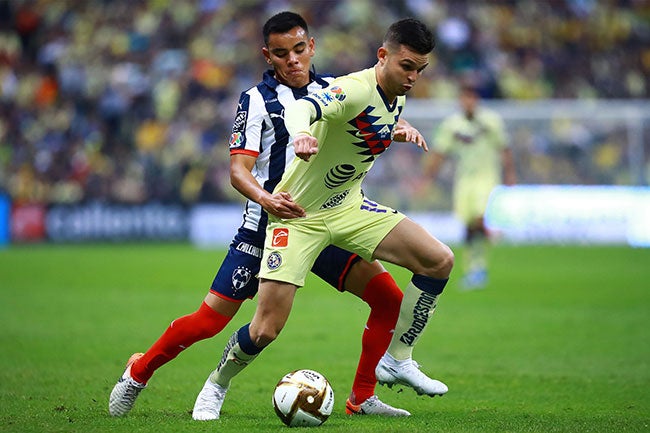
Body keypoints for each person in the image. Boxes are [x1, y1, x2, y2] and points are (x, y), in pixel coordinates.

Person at [109, 11, 422, 419]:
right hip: (268, 226)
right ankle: (140, 372)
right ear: (267, 55)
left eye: (298, 49)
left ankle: (362, 399)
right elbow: (238, 171)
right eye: (281, 53)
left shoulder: (335, 90)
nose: (292, 60)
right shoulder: (256, 100)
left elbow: (371, 121)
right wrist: (267, 199)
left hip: (324, 222)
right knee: (213, 321)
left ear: (311, 47)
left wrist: (396, 129)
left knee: (389, 299)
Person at [192, 17, 454, 421]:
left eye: (421, 68)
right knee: (264, 330)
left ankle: (397, 359)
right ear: (383, 56)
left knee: (439, 260)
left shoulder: (395, 94)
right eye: (407, 66)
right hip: (299, 218)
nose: (414, 76)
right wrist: (300, 133)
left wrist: (397, 129)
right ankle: (217, 384)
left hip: (348, 208)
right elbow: (305, 107)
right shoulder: (353, 87)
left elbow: (367, 127)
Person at [428, 82, 516, 289]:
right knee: (468, 225)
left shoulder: (491, 121)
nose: (468, 102)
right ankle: (475, 268)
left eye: (471, 97)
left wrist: (510, 174)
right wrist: (427, 177)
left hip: (487, 178)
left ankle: (485, 247)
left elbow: (504, 148)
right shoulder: (452, 124)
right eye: (464, 97)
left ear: (477, 99)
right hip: (464, 180)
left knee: (478, 218)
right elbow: (440, 152)